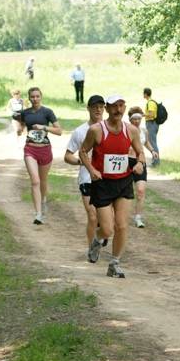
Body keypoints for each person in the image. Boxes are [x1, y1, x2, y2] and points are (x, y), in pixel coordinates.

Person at [79, 95, 146, 278]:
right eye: (114, 106)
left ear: (125, 108)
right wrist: (91, 169)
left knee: (122, 225)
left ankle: (114, 264)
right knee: (107, 229)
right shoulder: (96, 130)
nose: (118, 109)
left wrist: (140, 163)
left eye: (121, 105)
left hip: (123, 182)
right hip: (102, 183)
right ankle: (97, 241)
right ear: (107, 109)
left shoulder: (131, 130)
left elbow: (141, 153)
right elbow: (83, 151)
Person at [64, 94, 106, 255]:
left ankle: (102, 233)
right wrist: (80, 162)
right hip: (87, 178)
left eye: (101, 106)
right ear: (88, 108)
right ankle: (92, 249)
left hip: (107, 179)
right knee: (92, 215)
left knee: (105, 219)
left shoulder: (110, 128)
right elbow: (67, 156)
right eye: (95, 106)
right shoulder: (80, 131)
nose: (98, 109)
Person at [18, 87, 63, 224]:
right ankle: (38, 214)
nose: (35, 99)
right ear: (29, 98)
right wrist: (19, 130)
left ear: (41, 97)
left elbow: (59, 130)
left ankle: (43, 201)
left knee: (43, 181)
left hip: (45, 150)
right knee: (35, 181)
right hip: (30, 149)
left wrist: (44, 127)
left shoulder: (47, 112)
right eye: (32, 97)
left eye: (37, 96)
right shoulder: (25, 113)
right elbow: (21, 125)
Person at [127, 106, 158, 228]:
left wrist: (152, 151)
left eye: (139, 118)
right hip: (127, 161)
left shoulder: (144, 131)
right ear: (130, 119)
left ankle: (138, 217)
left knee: (140, 190)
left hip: (141, 161)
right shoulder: (125, 130)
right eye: (134, 119)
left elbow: (146, 142)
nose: (137, 121)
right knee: (124, 192)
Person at [143, 87, 161, 166]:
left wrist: (143, 115)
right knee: (152, 141)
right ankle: (155, 161)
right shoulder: (151, 102)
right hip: (152, 123)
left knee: (152, 142)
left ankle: (156, 162)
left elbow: (151, 114)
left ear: (145, 94)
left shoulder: (150, 103)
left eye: (143, 93)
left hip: (151, 123)